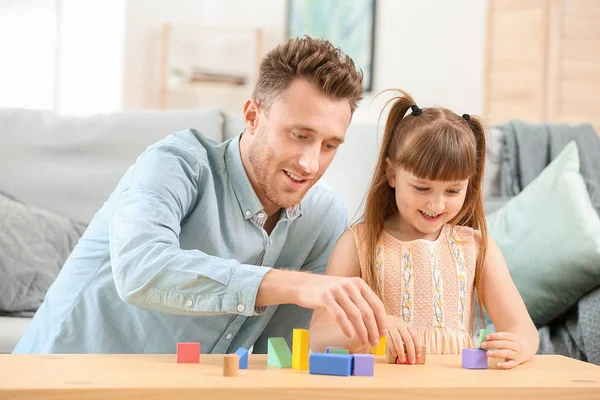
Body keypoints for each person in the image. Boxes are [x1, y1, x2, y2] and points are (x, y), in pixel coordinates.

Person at [13, 36, 388, 354]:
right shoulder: (175, 163)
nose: (310, 163)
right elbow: (141, 268)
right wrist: (292, 284)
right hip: (60, 378)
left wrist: (377, 328)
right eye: (299, 135)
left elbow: (282, 350)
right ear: (253, 116)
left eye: (329, 145)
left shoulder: (323, 218)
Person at [309, 90, 539, 369]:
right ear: (391, 174)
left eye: (453, 190)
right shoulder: (358, 243)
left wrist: (519, 346)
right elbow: (319, 337)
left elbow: (523, 328)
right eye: (421, 187)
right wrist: (376, 326)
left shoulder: (476, 247)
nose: (436, 203)